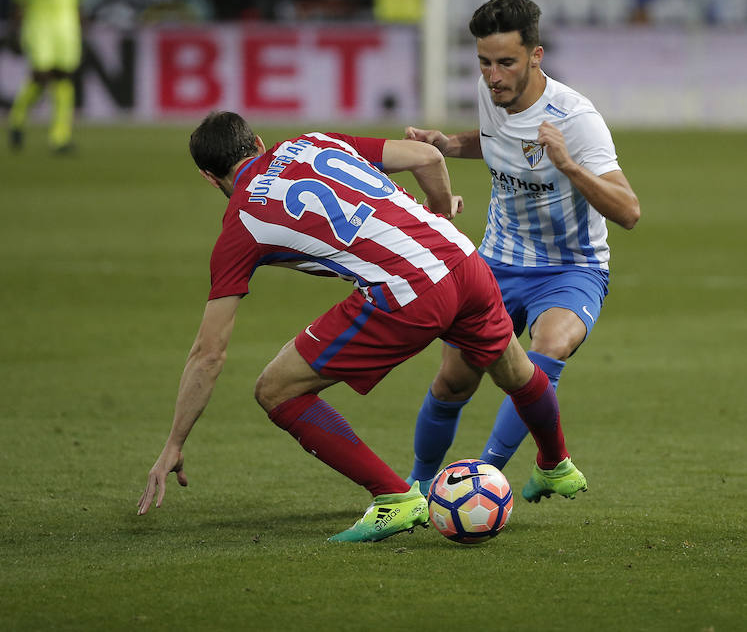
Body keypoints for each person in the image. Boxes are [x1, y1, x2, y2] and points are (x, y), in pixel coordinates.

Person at [137, 111, 588, 542]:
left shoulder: (241, 223)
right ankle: (556, 463)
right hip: (462, 258)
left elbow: (209, 351)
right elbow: (428, 156)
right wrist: (438, 210)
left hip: (406, 291)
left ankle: (394, 496)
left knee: (276, 389)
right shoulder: (310, 142)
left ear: (209, 177)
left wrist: (175, 440)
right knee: (514, 369)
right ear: (257, 142)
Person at [404, 0, 640, 493]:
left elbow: (629, 211)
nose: (493, 76)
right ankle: (418, 487)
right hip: (496, 262)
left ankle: (484, 478)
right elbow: (496, 140)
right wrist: (448, 144)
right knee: (453, 382)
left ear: (536, 55)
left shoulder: (576, 119)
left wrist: (570, 165)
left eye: (506, 62)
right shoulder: (491, 92)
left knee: (546, 348)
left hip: (570, 268)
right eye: (484, 63)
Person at [7, 0, 88, 153]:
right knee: (41, 74)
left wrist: (79, 14)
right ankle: (17, 119)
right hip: (38, 19)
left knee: (63, 75)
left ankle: (60, 137)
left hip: (66, 20)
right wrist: (18, 17)